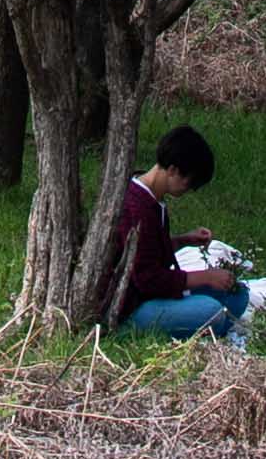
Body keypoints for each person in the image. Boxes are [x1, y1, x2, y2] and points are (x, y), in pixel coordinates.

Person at [102, 124, 243, 342]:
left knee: (238, 295)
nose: (189, 189)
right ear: (173, 170)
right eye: (189, 183)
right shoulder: (137, 207)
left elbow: (146, 251)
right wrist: (205, 277)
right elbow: (148, 279)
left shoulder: (153, 200)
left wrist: (183, 240)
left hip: (151, 296)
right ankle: (132, 333)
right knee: (212, 311)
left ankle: (209, 326)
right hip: (131, 307)